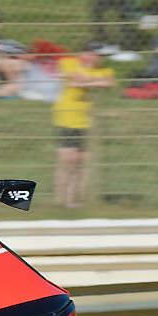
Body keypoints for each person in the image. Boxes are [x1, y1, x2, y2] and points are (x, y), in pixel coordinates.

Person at [53, 43, 115, 210]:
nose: (100, 59)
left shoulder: (105, 70)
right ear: (86, 53)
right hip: (67, 118)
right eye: (97, 54)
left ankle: (76, 199)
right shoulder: (69, 62)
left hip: (88, 122)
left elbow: (108, 83)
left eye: (102, 56)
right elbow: (72, 79)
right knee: (68, 159)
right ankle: (61, 198)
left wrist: (85, 82)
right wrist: (92, 81)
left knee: (83, 161)